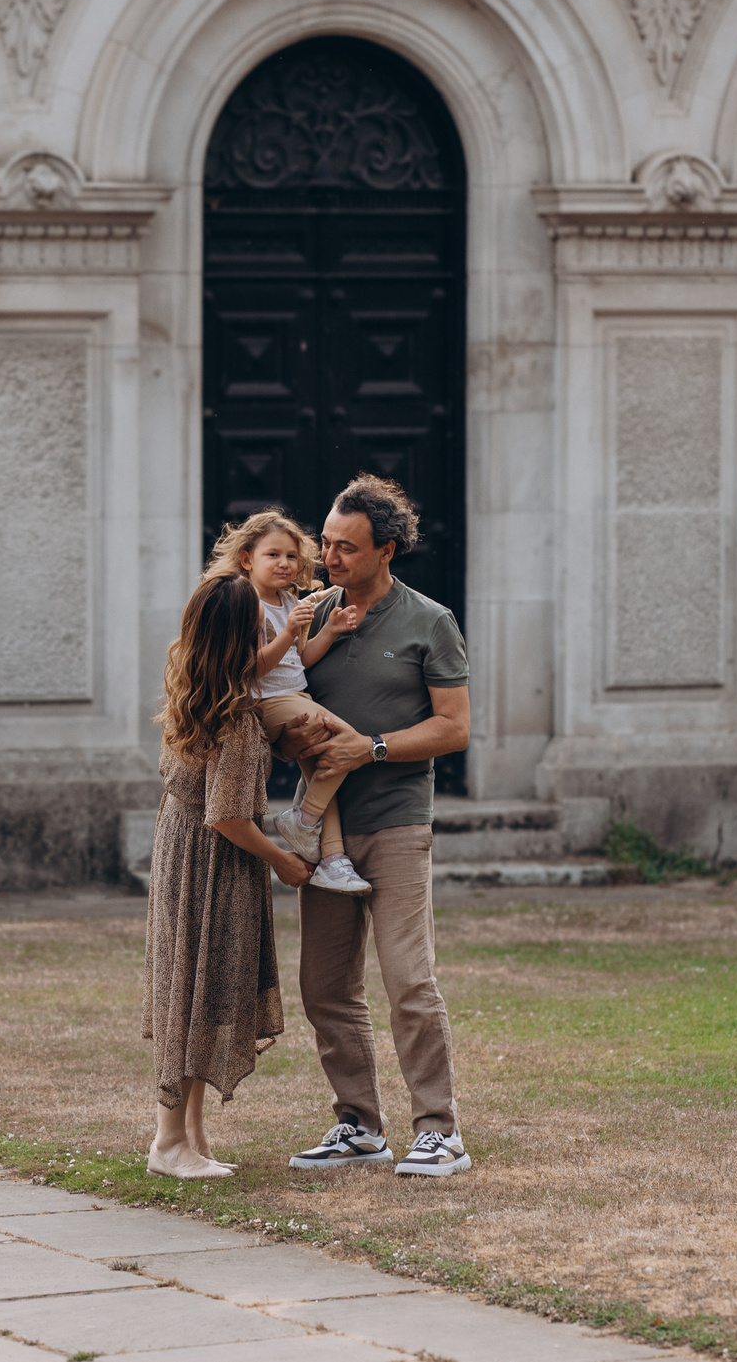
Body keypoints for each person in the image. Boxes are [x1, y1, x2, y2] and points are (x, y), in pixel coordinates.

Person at [275, 475, 473, 1178]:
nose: (328, 558)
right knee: (324, 987)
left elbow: (454, 728)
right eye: (326, 542)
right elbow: (273, 695)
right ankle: (359, 1125)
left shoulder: (431, 622)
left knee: (409, 981)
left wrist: (374, 747)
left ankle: (440, 1132)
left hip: (395, 825)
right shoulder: (307, 614)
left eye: (347, 548)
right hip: (323, 831)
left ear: (387, 550)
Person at [142, 570, 297, 1180]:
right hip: (211, 861)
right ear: (239, 637)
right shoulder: (232, 718)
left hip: (182, 850)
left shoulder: (195, 690)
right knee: (196, 991)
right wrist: (283, 860)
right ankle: (167, 1143)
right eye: (257, 626)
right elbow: (228, 816)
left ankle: (191, 1136)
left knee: (196, 991)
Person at [201, 511, 372, 896]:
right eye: (273, 555)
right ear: (247, 559)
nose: (284, 563)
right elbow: (252, 669)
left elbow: (300, 659)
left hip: (296, 696)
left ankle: (332, 860)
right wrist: (290, 628)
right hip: (269, 701)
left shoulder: (289, 600)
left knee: (323, 766)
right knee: (348, 741)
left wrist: (329, 630)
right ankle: (304, 818)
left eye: (292, 556)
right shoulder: (246, 602)